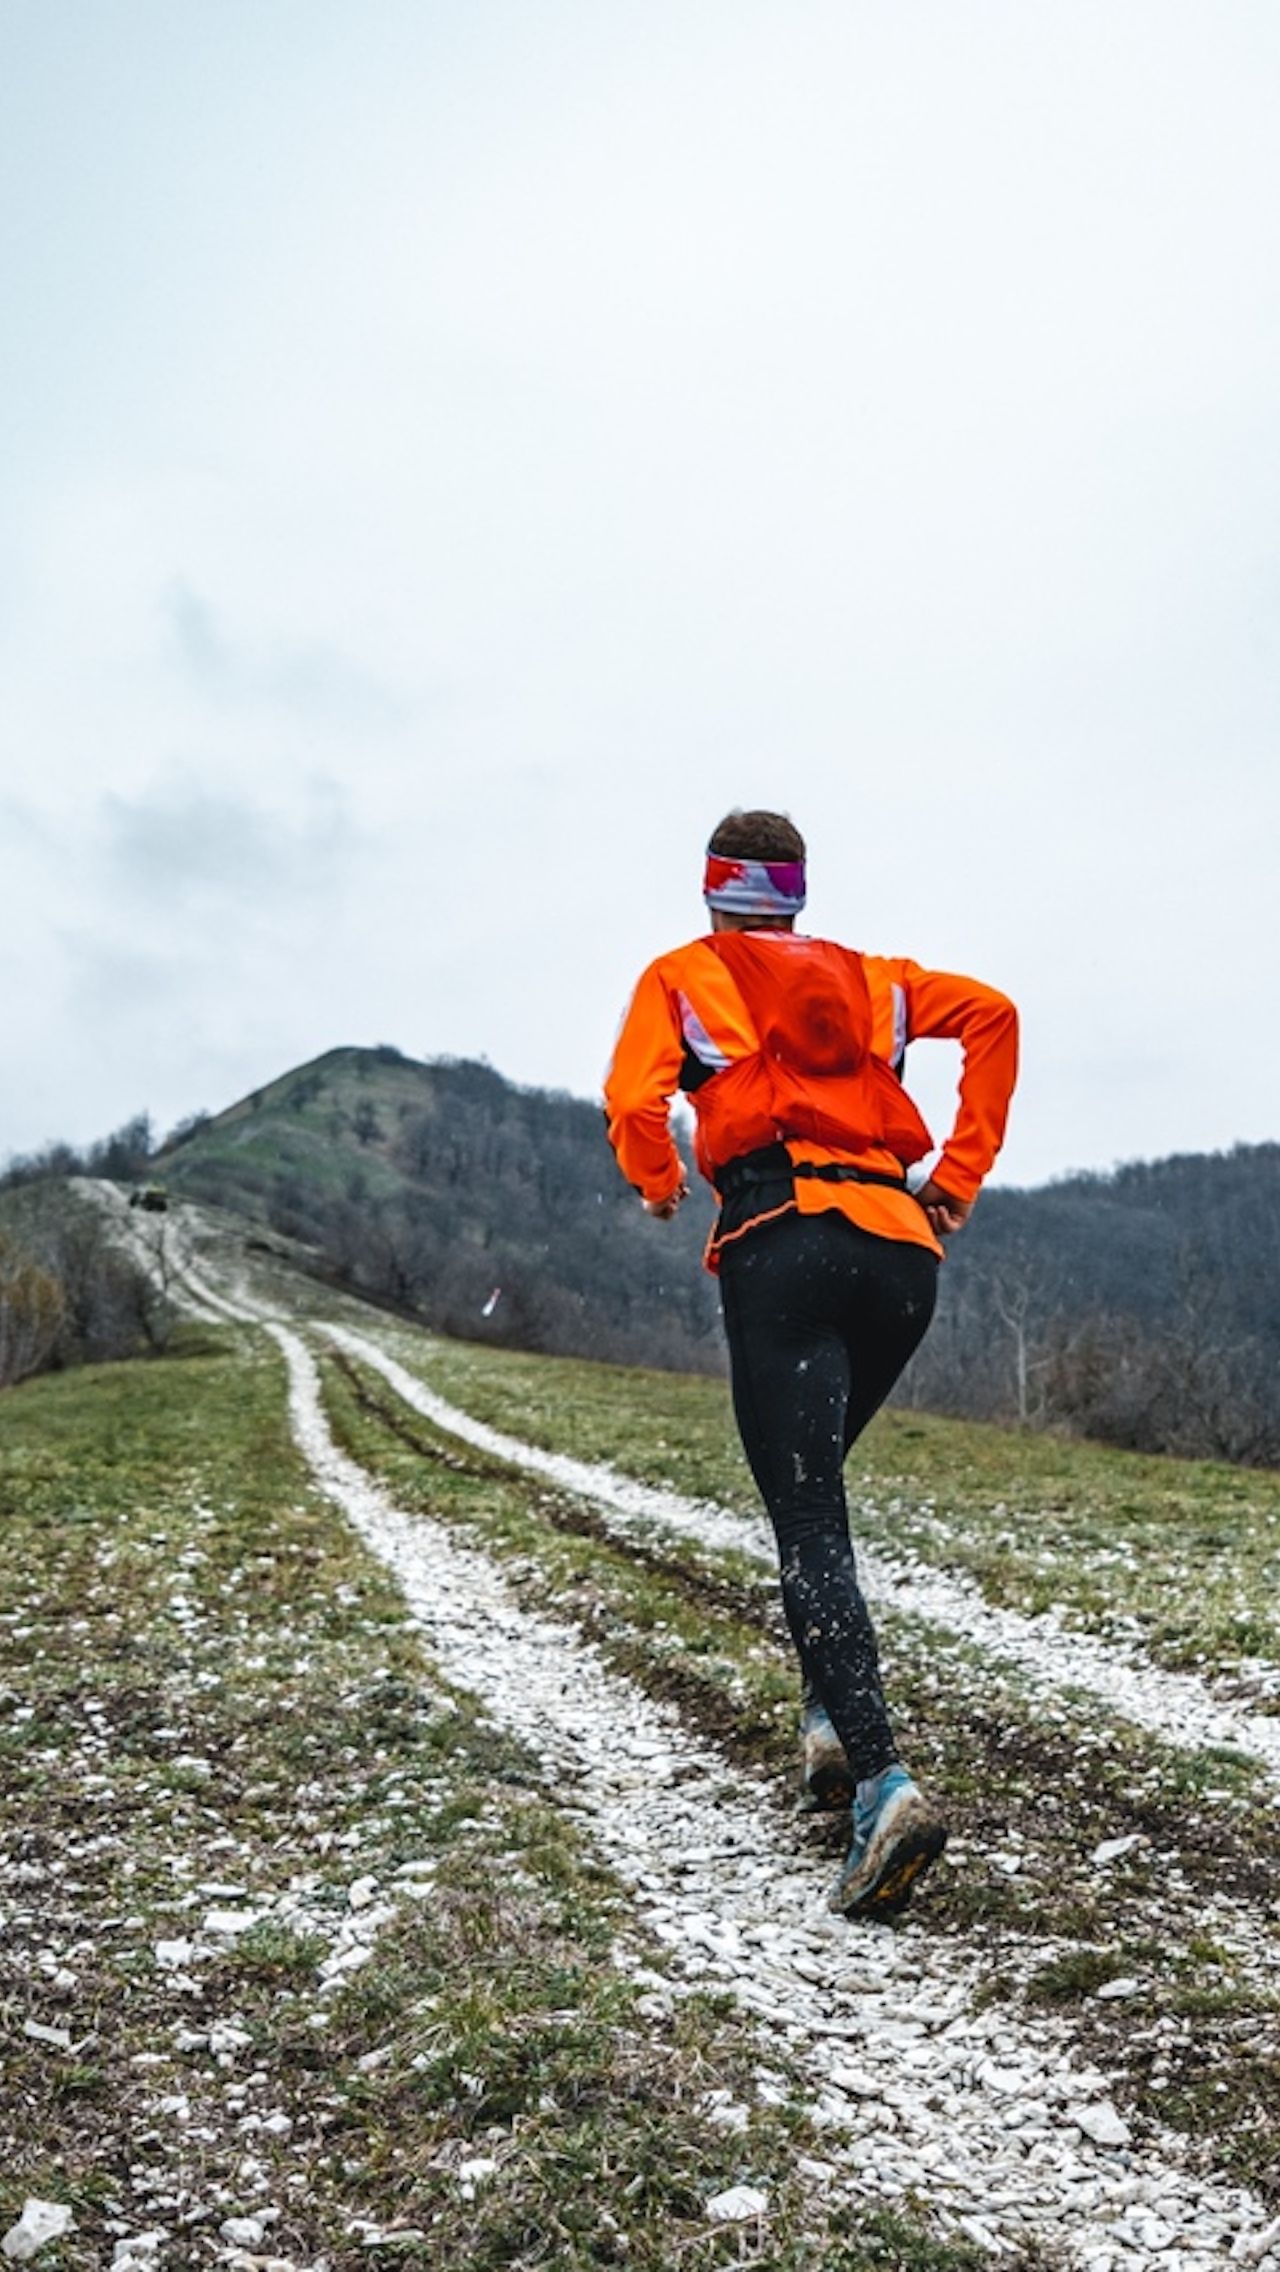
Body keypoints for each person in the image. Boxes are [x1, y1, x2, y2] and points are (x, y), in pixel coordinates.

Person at [603, 809, 1019, 1918]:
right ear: (792, 893)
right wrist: (958, 1176)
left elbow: (633, 1101)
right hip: (900, 1256)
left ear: (711, 893)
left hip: (782, 1242)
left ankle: (882, 1781)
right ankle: (829, 1721)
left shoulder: (683, 975)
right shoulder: (871, 980)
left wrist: (655, 1184)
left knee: (806, 1518)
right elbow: (994, 1017)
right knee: (815, 1489)